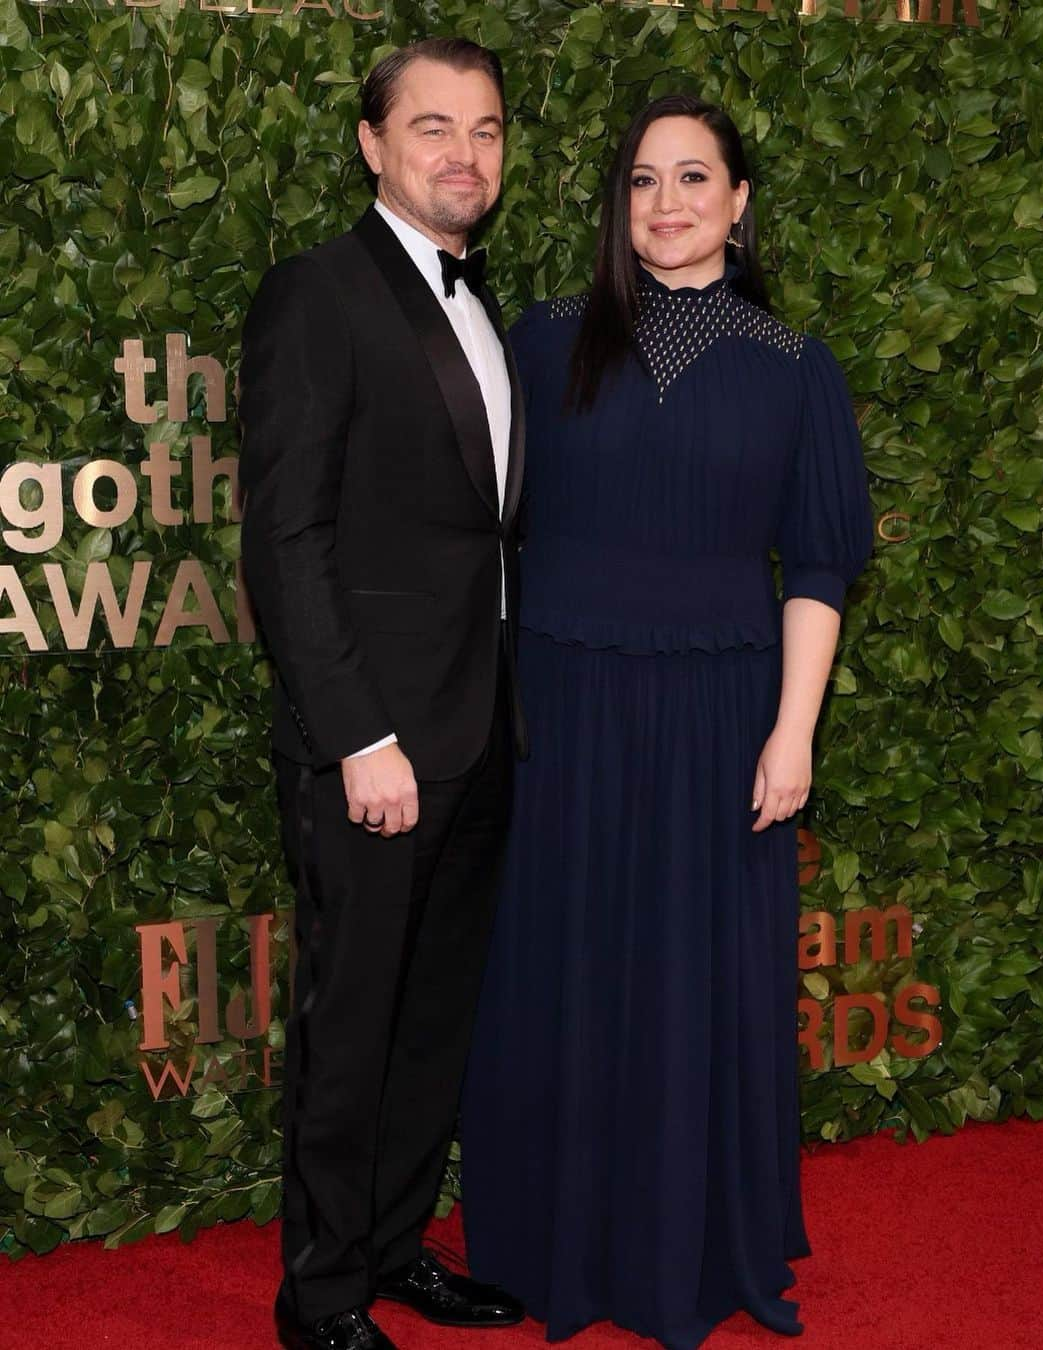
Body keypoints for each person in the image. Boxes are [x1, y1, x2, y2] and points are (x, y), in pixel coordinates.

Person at [461, 94, 874, 1348]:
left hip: (720, 720)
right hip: (563, 719)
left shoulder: (795, 367)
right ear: (616, 202)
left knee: (701, 985)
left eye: (696, 178)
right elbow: (468, 527)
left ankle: (695, 1242)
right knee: (563, 973)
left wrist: (793, 731)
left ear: (741, 201)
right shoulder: (538, 341)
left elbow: (817, 565)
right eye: (643, 180)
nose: (669, 204)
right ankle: (552, 1242)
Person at [239, 38, 528, 1350]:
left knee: (428, 1023)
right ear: (372, 144)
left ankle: (398, 1246)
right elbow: (284, 539)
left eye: (484, 129)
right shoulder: (319, 295)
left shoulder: (488, 307)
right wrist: (360, 734)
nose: (462, 153)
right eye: (431, 127)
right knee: (351, 1026)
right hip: (378, 745)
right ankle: (321, 1298)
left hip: (483, 733)